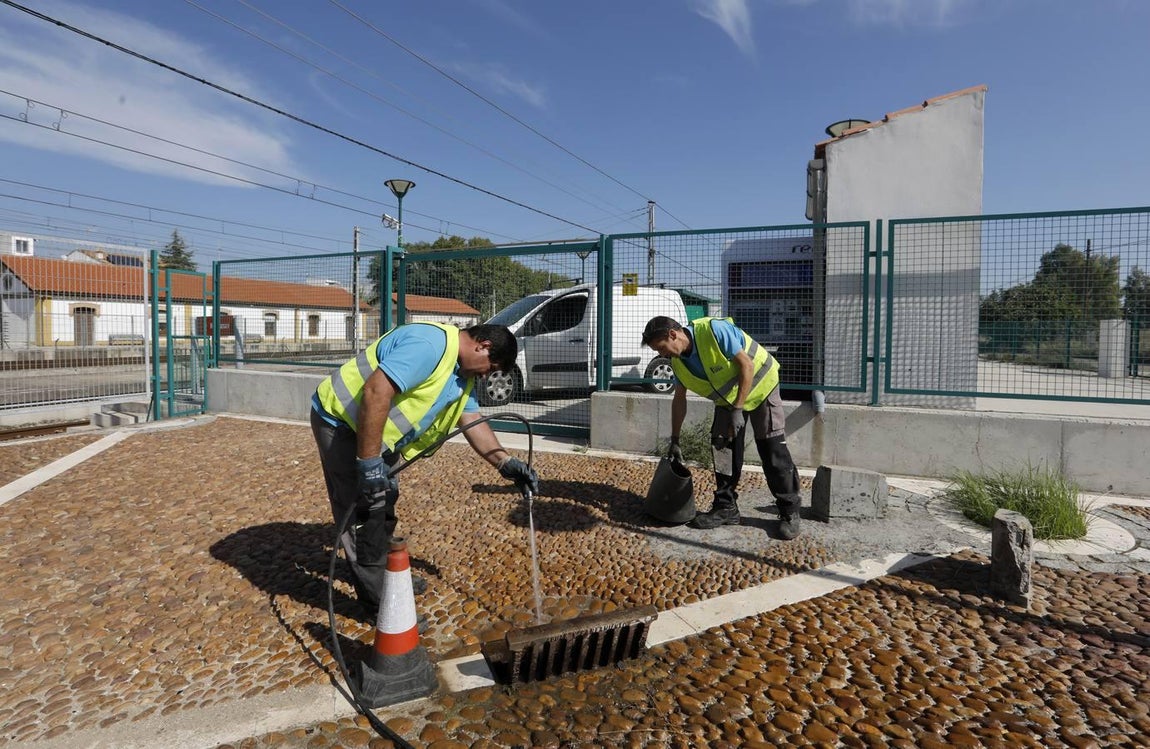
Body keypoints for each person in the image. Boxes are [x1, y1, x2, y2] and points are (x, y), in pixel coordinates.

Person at [310, 321, 539, 614]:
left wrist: (504, 462)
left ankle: (387, 576)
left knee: (384, 501)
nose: (486, 375)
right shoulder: (429, 346)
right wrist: (368, 463)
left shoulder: (461, 373)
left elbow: (470, 419)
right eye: (490, 367)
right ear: (483, 346)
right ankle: (382, 607)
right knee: (364, 513)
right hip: (341, 423)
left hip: (377, 434)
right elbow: (376, 392)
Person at [641, 315, 803, 539]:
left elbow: (746, 365)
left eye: (661, 348)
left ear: (673, 334)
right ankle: (726, 508)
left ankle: (789, 511)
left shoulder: (713, 330)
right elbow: (679, 400)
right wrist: (675, 439)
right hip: (729, 400)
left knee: (772, 449)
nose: (662, 355)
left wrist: (738, 409)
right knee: (723, 449)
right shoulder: (678, 364)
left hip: (761, 386)